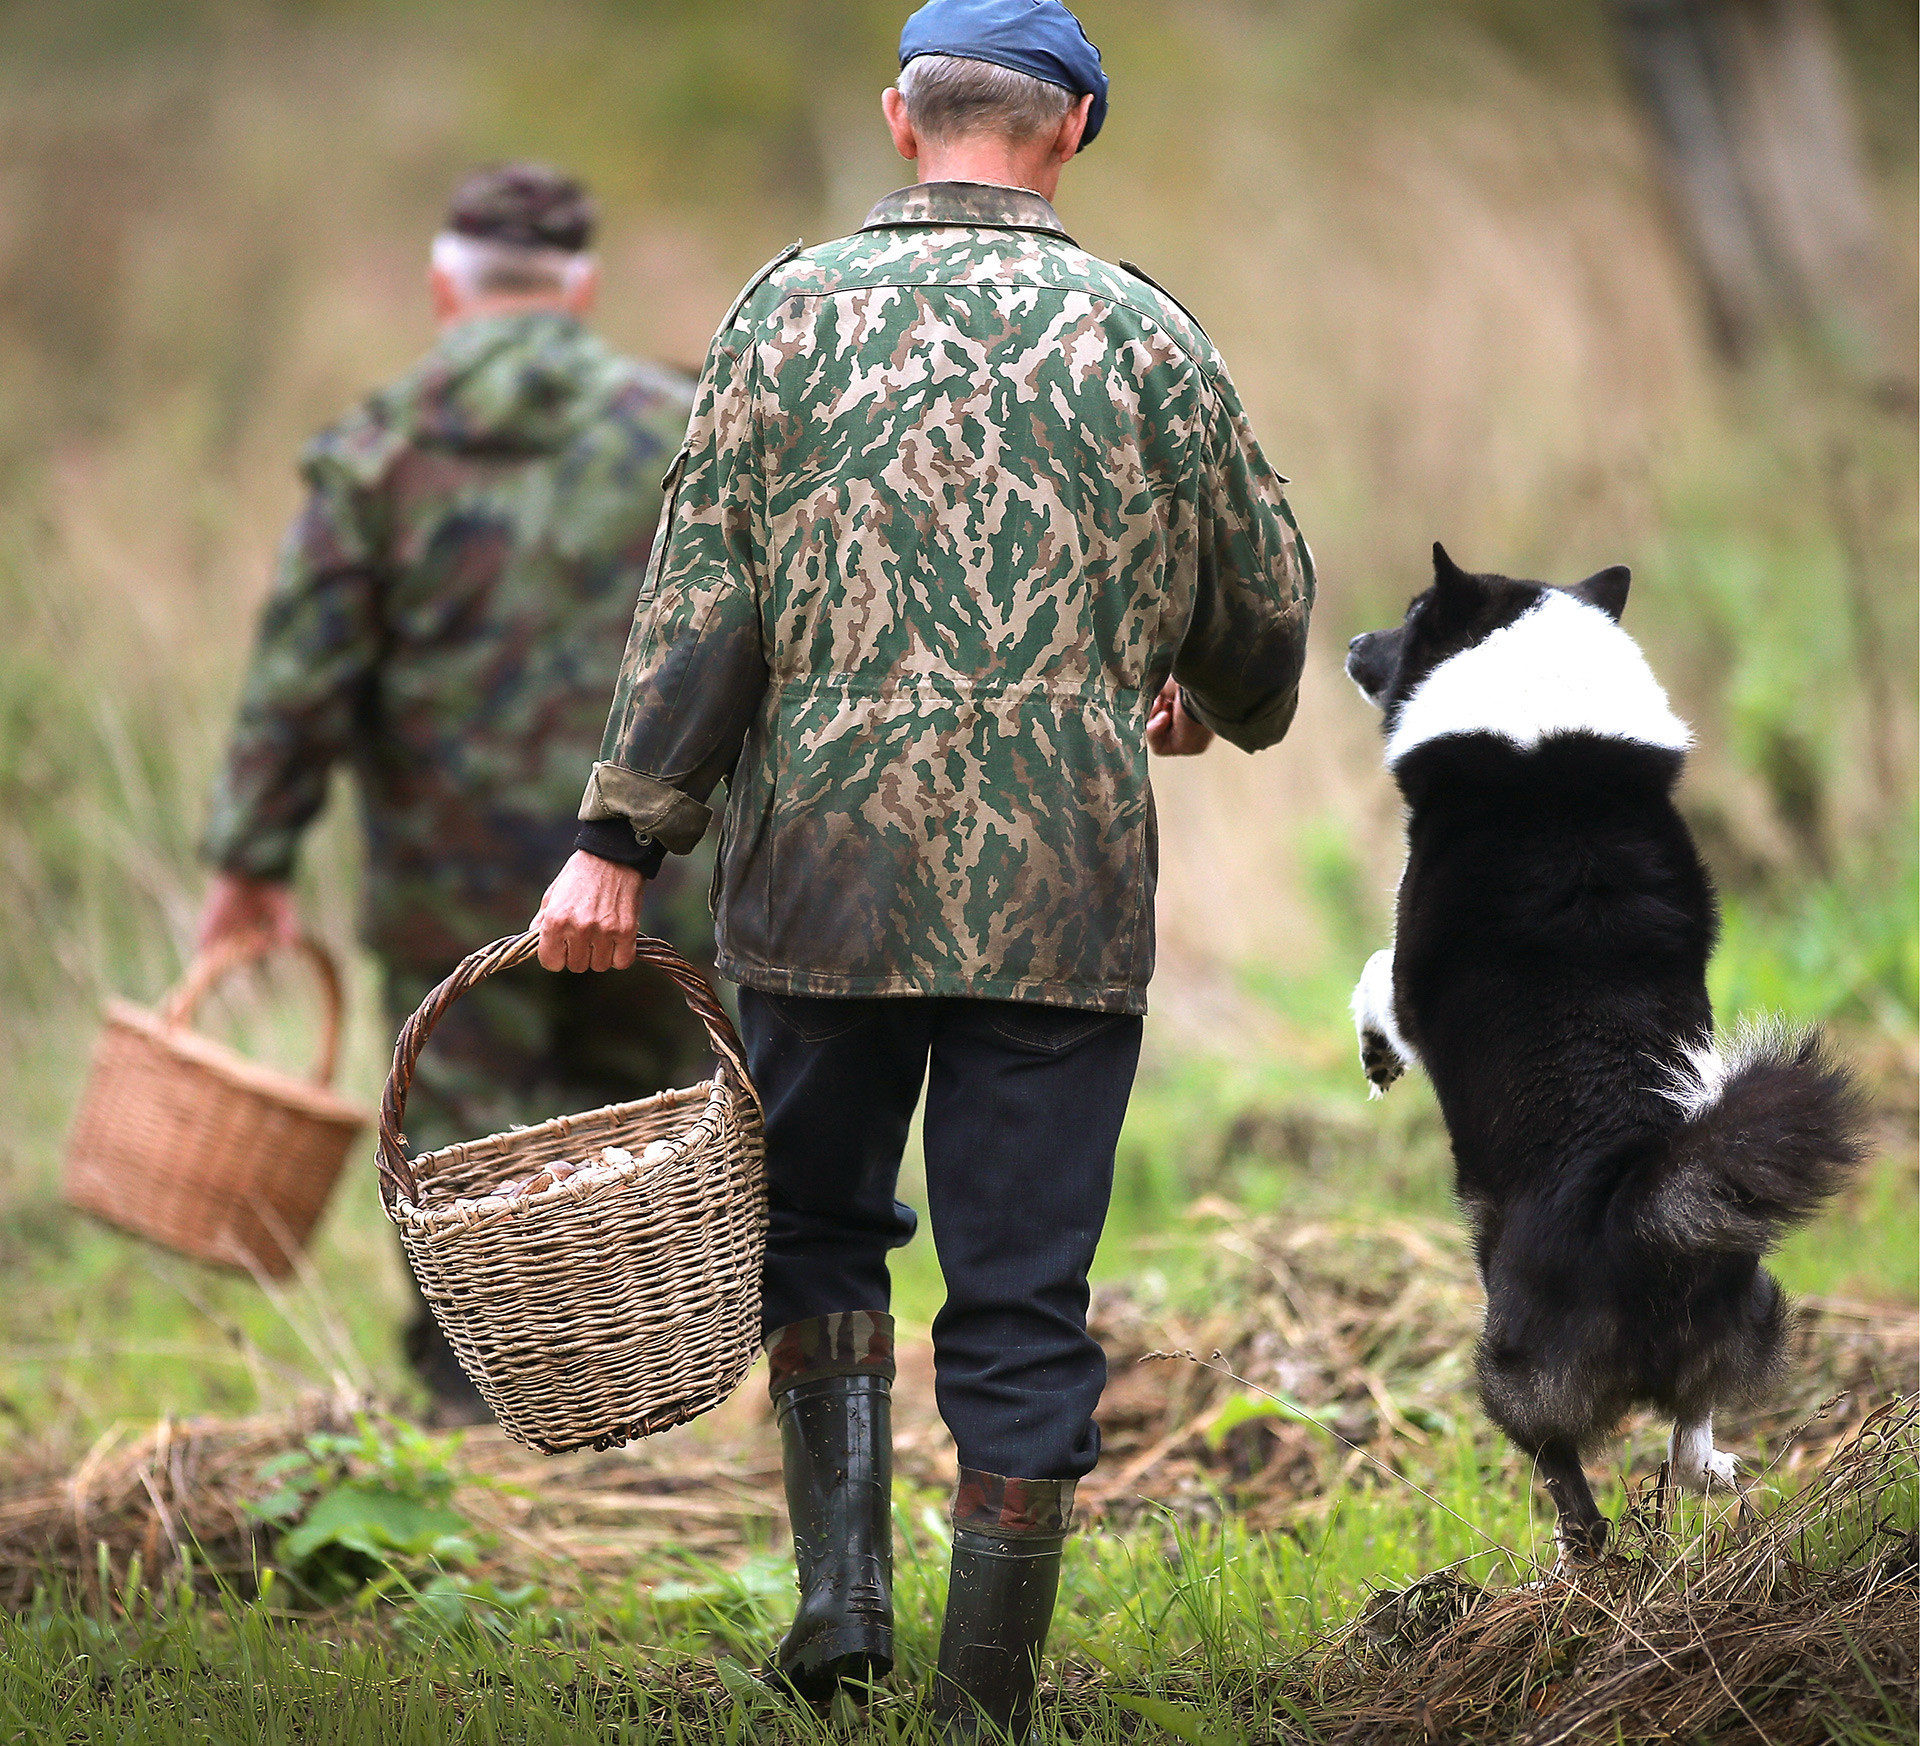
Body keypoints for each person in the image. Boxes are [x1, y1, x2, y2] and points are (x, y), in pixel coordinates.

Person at [536, 1, 1314, 1733]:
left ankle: (839, 1608)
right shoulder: (1149, 337)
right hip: (1065, 895)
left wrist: (618, 840)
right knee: (1025, 1294)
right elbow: (1263, 614)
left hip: (821, 880)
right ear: (1077, 129)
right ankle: (984, 1702)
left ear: (905, 117)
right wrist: (1210, 690)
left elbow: (701, 607)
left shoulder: (783, 312)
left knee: (814, 1226)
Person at [198, 162, 712, 1426]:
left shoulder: (376, 454)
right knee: (664, 1142)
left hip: (452, 889)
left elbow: (297, 683)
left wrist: (248, 863)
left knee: (466, 1156)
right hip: (661, 870)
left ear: (444, 285)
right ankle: (669, 1407)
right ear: (579, 288)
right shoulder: (683, 428)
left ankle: (474, 1412)